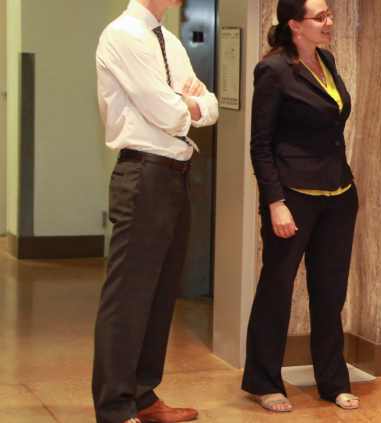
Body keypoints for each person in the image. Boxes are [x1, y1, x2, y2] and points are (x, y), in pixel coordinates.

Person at [94, 0, 218, 422]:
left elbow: (211, 105)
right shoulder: (124, 34)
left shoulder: (168, 39)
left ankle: (143, 397)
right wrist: (189, 105)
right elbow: (167, 112)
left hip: (176, 173)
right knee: (129, 298)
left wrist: (191, 104)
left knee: (161, 293)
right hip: (143, 173)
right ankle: (114, 408)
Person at [242, 0, 361, 412]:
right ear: (295, 25)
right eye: (320, 17)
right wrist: (275, 202)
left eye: (330, 15)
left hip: (338, 195)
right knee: (277, 288)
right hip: (292, 196)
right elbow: (260, 145)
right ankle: (264, 381)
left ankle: (332, 381)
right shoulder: (273, 71)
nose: (329, 23)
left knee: (330, 293)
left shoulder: (326, 60)